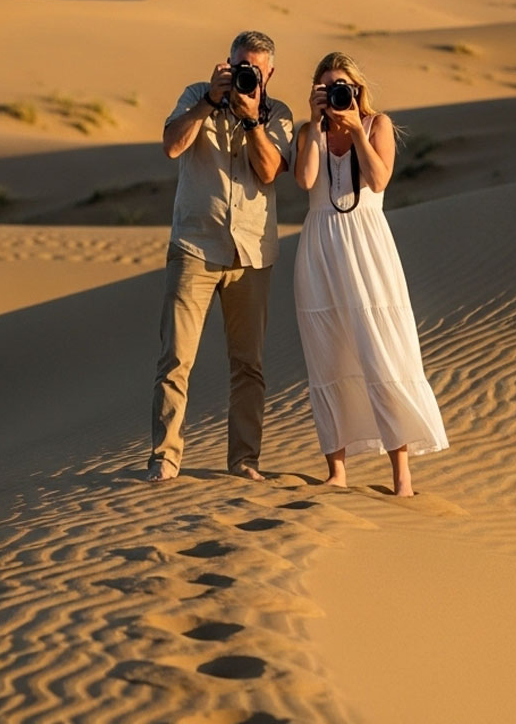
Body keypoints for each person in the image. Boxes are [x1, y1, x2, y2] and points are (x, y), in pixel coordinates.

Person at [293, 52, 448, 496]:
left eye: (343, 86)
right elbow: (305, 181)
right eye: (327, 88)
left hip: (368, 246)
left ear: (358, 89)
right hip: (320, 247)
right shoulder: (312, 131)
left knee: (382, 350)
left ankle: (401, 476)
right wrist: (315, 124)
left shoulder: (377, 124)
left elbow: (378, 181)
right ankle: (336, 471)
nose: (337, 95)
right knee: (328, 354)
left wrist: (356, 129)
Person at [148, 31, 293, 482]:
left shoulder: (278, 114)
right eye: (239, 65)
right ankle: (165, 456)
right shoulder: (196, 96)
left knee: (248, 364)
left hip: (251, 253)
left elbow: (269, 171)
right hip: (196, 246)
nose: (246, 74)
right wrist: (210, 101)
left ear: (269, 73)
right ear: (226, 63)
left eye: (255, 68)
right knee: (176, 358)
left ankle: (244, 461)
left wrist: (251, 121)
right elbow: (172, 145)